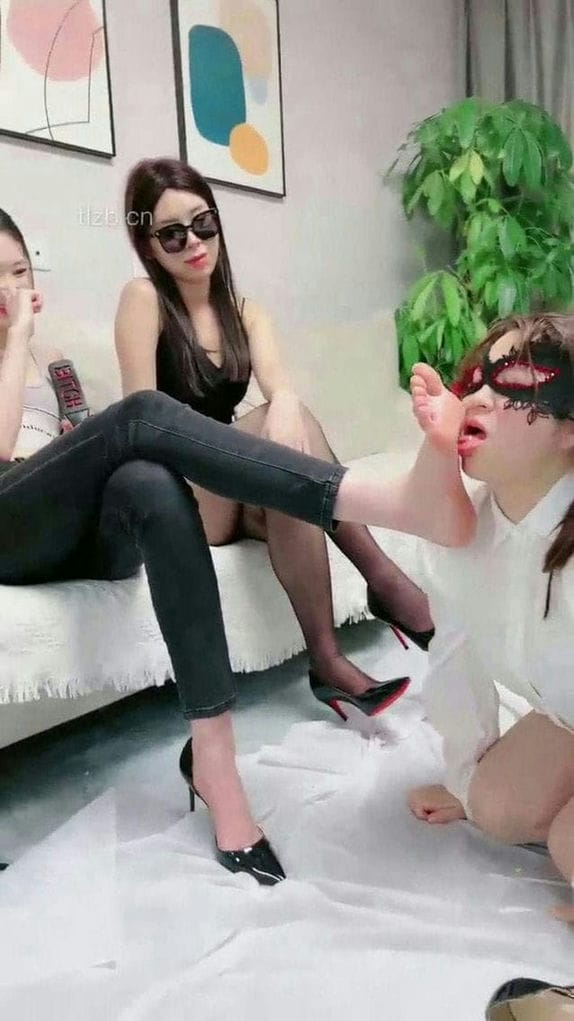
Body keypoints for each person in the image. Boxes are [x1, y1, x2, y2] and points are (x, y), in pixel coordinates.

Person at [0, 208, 474, 884]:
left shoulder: (55, 365)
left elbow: (77, 450)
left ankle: (211, 753)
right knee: (139, 417)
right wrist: (14, 338)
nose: (12, 289)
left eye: (19, 271)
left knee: (149, 479)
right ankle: (378, 500)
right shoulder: (25, 346)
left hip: (77, 530)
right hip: (9, 527)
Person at [116, 157, 439, 720]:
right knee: (280, 445)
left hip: (232, 481)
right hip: (179, 491)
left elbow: (281, 389)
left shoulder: (245, 313)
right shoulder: (143, 300)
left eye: (204, 223)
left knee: (290, 464)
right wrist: (271, 421)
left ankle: (327, 660)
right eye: (172, 234)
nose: (194, 242)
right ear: (149, 247)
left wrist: (283, 403)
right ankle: (386, 581)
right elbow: (142, 422)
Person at [406, 314, 574, 924]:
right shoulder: (463, 534)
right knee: (496, 806)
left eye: (515, 386)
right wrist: (465, 781)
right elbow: (455, 661)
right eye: (476, 381)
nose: (478, 398)